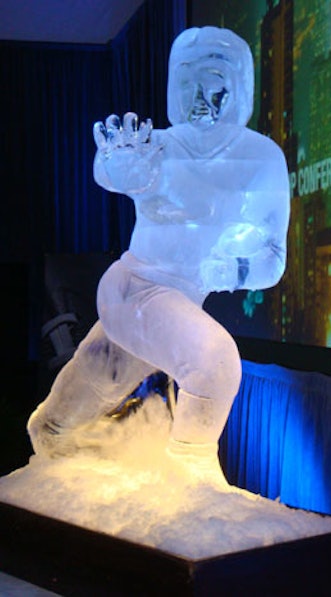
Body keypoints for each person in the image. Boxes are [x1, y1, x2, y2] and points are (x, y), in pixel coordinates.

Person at [28, 26, 290, 485]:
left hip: (174, 306)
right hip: (134, 287)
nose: (200, 97)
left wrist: (233, 268)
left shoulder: (262, 160)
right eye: (186, 81)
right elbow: (116, 170)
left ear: (240, 84)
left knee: (83, 397)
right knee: (214, 363)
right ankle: (192, 475)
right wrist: (116, 166)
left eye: (213, 80)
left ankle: (51, 429)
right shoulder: (161, 147)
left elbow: (273, 258)